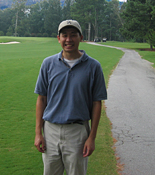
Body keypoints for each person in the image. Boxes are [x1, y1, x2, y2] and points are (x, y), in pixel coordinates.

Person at [34, 19, 107, 175]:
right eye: (64, 35)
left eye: (73, 35)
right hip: (51, 131)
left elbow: (97, 103)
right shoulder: (48, 64)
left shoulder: (93, 66)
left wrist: (92, 137)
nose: (69, 39)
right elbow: (41, 99)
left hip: (78, 132)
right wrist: (38, 133)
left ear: (81, 37)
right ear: (58, 38)